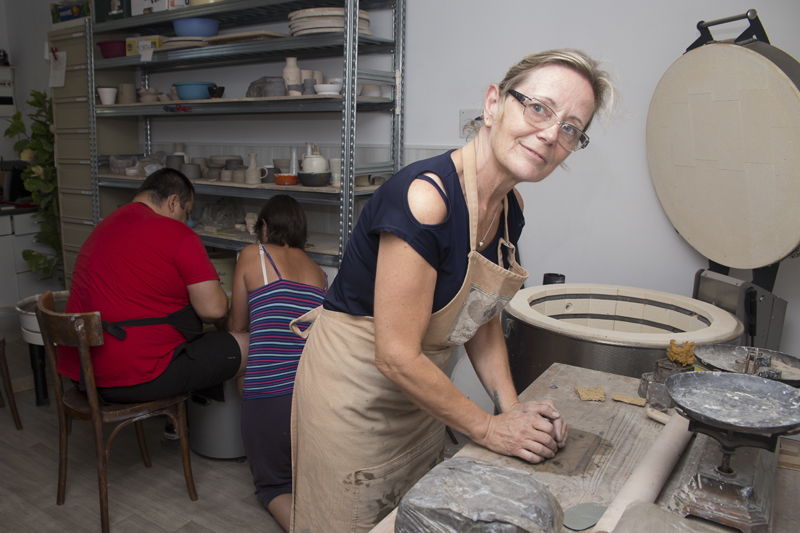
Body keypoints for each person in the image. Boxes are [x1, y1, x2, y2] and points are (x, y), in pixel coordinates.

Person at [289, 49, 616, 532]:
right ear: (493, 104)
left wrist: (511, 409)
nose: (550, 134)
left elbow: (479, 319)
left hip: (423, 398)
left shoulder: (509, 207)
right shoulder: (425, 199)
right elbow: (396, 355)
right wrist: (487, 428)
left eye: (571, 127)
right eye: (539, 108)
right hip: (355, 399)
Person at [59, 168, 249, 406]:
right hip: (129, 377)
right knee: (250, 345)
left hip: (83, 375)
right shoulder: (177, 233)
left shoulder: (103, 227)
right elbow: (214, 310)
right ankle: (250, 437)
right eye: (186, 213)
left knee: (191, 340)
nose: (186, 221)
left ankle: (175, 426)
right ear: (173, 202)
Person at [225, 195, 327, 532]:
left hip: (270, 398)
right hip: (313, 398)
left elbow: (238, 327)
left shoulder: (254, 255)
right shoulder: (319, 275)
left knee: (274, 488)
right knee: (307, 482)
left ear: (264, 226)